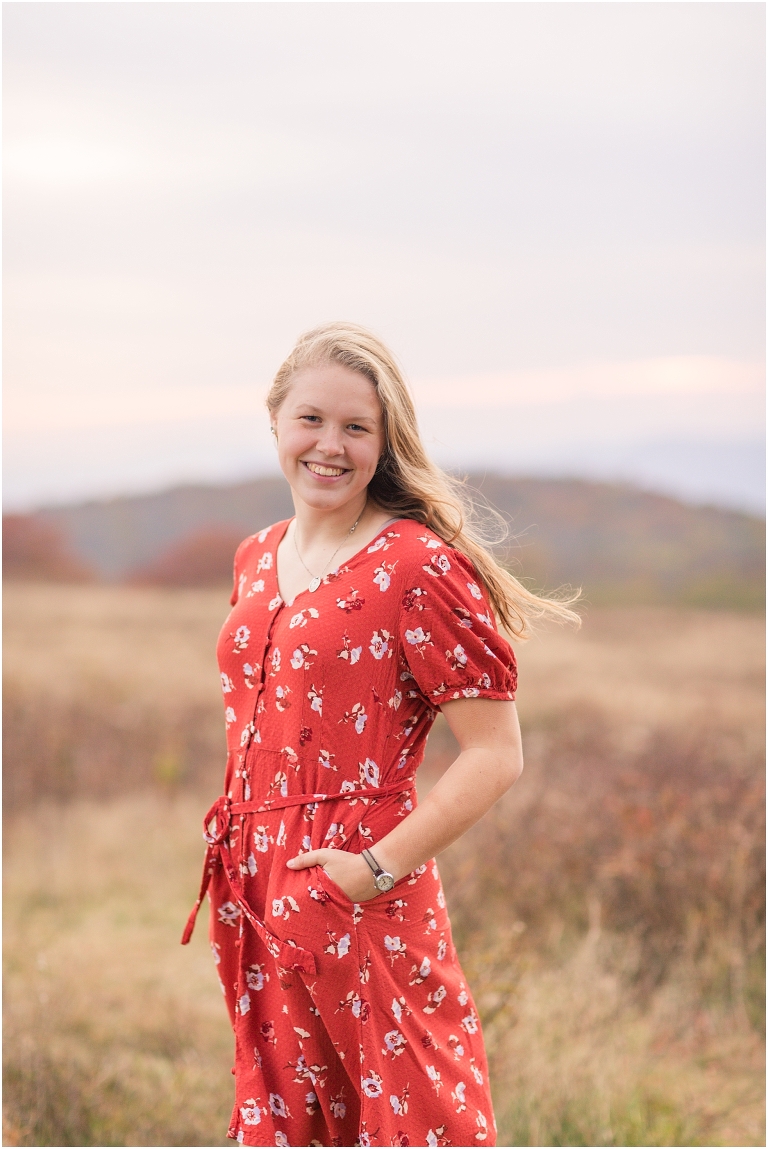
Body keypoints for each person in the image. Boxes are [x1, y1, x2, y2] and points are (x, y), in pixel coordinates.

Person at [183, 322, 579, 1147]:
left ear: (384, 442)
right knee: (293, 1120)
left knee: (412, 1116)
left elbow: (497, 753)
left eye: (356, 427)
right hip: (258, 894)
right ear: (276, 422)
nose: (330, 445)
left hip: (363, 889)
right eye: (312, 420)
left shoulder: (417, 566)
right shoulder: (255, 556)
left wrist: (369, 870)